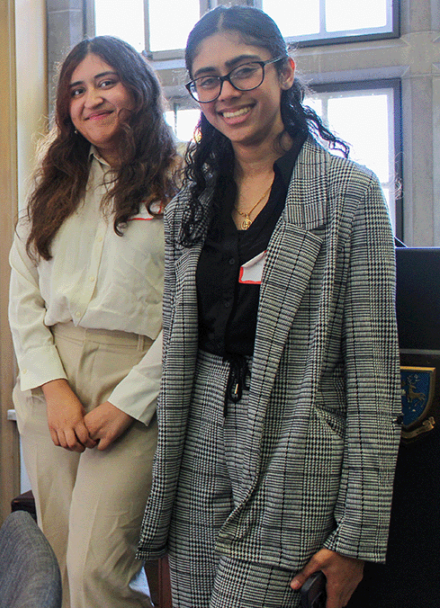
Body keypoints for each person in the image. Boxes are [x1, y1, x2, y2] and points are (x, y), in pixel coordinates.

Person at [137, 6, 401, 608]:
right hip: (198, 444)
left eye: (244, 71)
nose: (226, 92)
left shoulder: (350, 195)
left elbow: (373, 380)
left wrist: (356, 535)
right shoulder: (192, 203)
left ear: (285, 72)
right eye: (207, 79)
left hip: (295, 448)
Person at [7, 36, 177, 608]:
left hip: (136, 379)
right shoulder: (51, 181)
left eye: (106, 82)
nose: (91, 100)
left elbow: (191, 309)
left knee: (95, 572)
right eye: (76, 90)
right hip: (49, 381)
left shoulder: (184, 182)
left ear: (139, 89)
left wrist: (128, 402)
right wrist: (53, 390)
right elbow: (23, 291)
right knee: (59, 567)